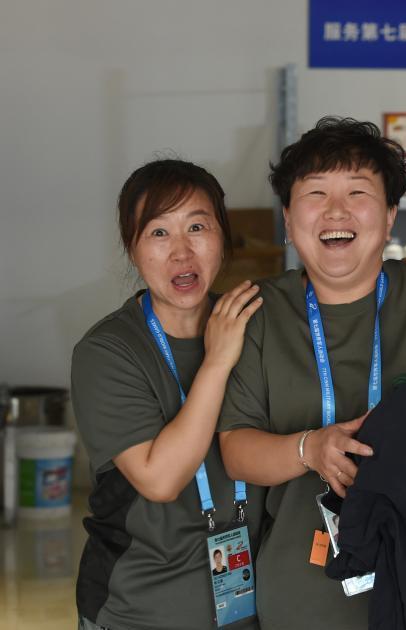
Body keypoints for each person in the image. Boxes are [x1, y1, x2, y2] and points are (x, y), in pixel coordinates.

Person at [218, 117, 406, 628]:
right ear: (289, 220)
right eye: (315, 192)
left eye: (358, 192)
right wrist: (309, 449)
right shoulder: (259, 313)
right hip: (307, 600)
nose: (336, 210)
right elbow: (236, 449)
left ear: (389, 218)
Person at [71, 159, 265, 630]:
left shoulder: (256, 322)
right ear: (132, 248)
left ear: (223, 236)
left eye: (197, 227)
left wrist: (405, 282)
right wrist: (217, 362)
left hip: (252, 610)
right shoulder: (108, 351)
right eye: (159, 232)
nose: (182, 252)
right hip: (139, 611)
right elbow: (160, 479)